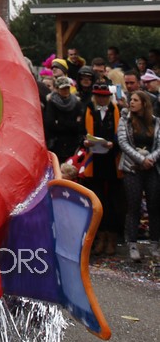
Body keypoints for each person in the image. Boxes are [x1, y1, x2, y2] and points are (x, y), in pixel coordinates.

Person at [116, 89, 160, 261]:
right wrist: (141, 159)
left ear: (144, 103)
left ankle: (155, 243)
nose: (132, 102)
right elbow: (123, 142)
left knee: (154, 206)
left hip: (152, 168)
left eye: (135, 100)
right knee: (133, 206)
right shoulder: (125, 120)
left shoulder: (156, 122)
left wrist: (150, 159)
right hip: (132, 168)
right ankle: (132, 244)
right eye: (131, 100)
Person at [81, 82, 121, 256]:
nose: (101, 99)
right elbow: (80, 132)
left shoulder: (116, 110)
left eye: (104, 96)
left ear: (109, 97)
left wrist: (114, 144)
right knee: (97, 201)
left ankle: (111, 239)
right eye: (98, 96)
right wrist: (85, 141)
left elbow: (122, 135)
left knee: (112, 202)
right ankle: (100, 238)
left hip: (112, 162)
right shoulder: (88, 109)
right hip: (94, 161)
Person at [43, 75, 85, 163]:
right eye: (63, 89)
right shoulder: (51, 103)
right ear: (57, 89)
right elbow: (50, 124)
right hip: (57, 143)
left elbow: (79, 124)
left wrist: (61, 122)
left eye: (67, 88)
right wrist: (71, 123)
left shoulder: (77, 103)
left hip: (73, 142)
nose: (65, 91)